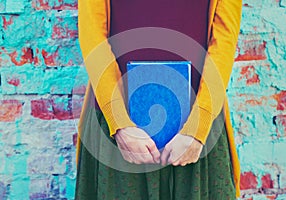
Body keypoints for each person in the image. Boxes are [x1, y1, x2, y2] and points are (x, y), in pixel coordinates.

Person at [75, 0, 242, 199]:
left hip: (195, 131)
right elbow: (93, 36)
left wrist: (198, 127)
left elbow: (223, 43)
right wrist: (119, 122)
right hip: (117, 129)